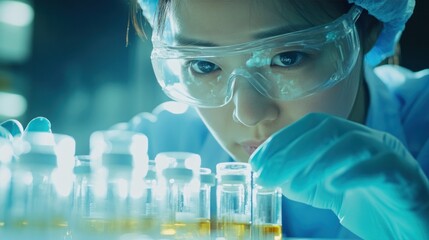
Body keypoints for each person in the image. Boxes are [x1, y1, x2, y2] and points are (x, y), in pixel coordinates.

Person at [2, 0, 428, 238]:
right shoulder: (166, 152)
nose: (247, 113)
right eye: (204, 66)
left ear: (367, 30)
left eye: (287, 57)